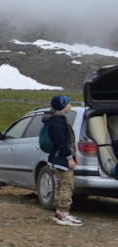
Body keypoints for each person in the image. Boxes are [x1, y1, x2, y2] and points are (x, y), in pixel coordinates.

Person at [44, 95, 83, 227]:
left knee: (60, 184)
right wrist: (69, 158)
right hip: (61, 158)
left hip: (58, 157)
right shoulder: (59, 121)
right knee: (66, 185)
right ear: (62, 105)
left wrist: (74, 154)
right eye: (68, 104)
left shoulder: (57, 119)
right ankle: (64, 214)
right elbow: (61, 142)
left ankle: (59, 212)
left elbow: (66, 141)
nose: (70, 106)